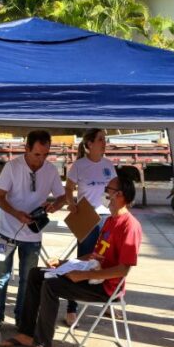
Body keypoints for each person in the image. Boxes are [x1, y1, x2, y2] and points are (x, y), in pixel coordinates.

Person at [0, 171, 142, 347]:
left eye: (108, 190)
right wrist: (64, 263)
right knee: (36, 274)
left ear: (119, 195)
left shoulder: (130, 226)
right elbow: (93, 256)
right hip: (91, 276)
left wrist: (84, 275)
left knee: (51, 286)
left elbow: (123, 270)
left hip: (105, 288)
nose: (104, 193)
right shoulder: (110, 221)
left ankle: (43, 344)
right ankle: (27, 334)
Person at [0, 130, 66, 327]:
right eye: (37, 154)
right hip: (6, 231)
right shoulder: (12, 167)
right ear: (26, 149)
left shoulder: (50, 170)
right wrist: (17, 214)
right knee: (0, 278)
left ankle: (23, 321)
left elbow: (62, 196)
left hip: (33, 235)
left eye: (45, 154)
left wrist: (55, 206)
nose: (41, 159)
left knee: (28, 281)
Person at [62, 128, 117, 326]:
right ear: (89, 144)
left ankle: (108, 303)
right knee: (82, 261)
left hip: (106, 219)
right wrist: (71, 202)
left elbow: (115, 191)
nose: (104, 142)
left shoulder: (109, 165)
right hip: (86, 217)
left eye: (105, 139)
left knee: (106, 262)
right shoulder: (79, 165)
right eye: (101, 139)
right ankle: (71, 307)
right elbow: (68, 188)